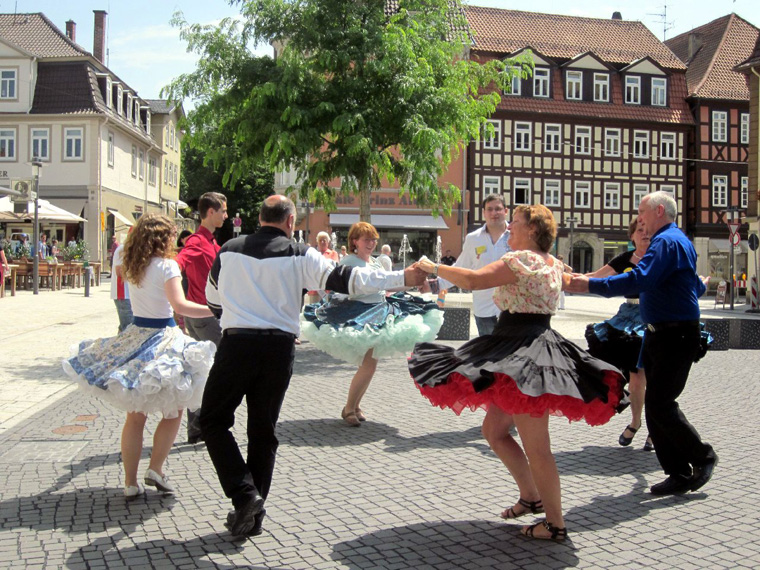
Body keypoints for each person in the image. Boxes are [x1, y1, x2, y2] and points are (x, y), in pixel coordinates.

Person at [200, 195, 426, 538]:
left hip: (237, 344)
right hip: (278, 349)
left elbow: (211, 299)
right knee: (263, 431)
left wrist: (235, 313)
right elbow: (351, 280)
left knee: (213, 421)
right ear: (291, 222)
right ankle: (252, 509)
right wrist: (402, 277)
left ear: (260, 218)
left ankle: (244, 497)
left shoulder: (229, 249)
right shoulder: (300, 253)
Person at [409, 204, 626, 541]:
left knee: (537, 446)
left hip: (522, 351)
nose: (509, 228)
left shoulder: (520, 260)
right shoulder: (553, 264)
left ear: (532, 231)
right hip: (525, 345)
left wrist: (434, 266)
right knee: (494, 430)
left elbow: (472, 279)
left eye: (517, 224)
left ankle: (555, 525)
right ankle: (531, 496)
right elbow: (578, 282)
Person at [566, 191, 718, 495]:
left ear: (659, 210)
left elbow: (640, 279)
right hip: (661, 333)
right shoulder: (674, 241)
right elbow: (681, 286)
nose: (640, 220)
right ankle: (677, 471)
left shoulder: (666, 242)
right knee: (656, 404)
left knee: (661, 404)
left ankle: (703, 458)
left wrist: (589, 285)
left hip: (675, 335)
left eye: (642, 212)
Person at [62, 214, 216, 499]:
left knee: (135, 417)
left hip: (136, 335)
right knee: (175, 409)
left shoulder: (131, 264)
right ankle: (155, 468)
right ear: (163, 238)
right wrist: (216, 310)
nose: (174, 240)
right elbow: (179, 305)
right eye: (171, 235)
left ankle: (130, 482)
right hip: (163, 338)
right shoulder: (167, 266)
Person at [302, 222, 443, 427]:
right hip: (361, 314)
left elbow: (388, 284)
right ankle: (349, 407)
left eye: (373, 239)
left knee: (370, 364)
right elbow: (348, 289)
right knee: (369, 364)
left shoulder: (375, 262)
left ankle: (354, 406)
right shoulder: (348, 262)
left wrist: (414, 280)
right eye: (366, 239)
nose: (371, 243)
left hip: (379, 311)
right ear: (354, 241)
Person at [584, 218, 653, 451]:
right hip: (628, 320)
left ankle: (655, 429)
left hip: (656, 316)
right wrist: (565, 277)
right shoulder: (624, 259)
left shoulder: (660, 258)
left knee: (655, 378)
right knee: (636, 379)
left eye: (648, 230)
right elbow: (597, 275)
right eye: (639, 231)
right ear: (631, 236)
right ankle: (635, 421)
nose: (644, 234)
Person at [175, 192, 228, 444]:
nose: (226, 216)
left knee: (202, 370)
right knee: (218, 369)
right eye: (223, 211)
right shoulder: (197, 242)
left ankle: (197, 426)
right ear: (210, 212)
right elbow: (178, 263)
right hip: (203, 316)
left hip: (204, 316)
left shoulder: (212, 243)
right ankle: (205, 424)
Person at [437, 194, 510, 336]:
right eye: (489, 209)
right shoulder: (473, 239)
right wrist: (435, 284)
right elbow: (460, 269)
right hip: (484, 310)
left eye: (498, 209)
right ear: (483, 213)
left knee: (513, 355)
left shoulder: (516, 236)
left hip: (512, 310)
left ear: (505, 211)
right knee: (488, 355)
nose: (494, 213)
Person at [307, 231, 340, 303]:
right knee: (312, 311)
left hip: (326, 290)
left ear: (328, 242)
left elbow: (333, 268)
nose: (322, 242)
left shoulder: (333, 253)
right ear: (317, 242)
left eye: (324, 240)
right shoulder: (314, 254)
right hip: (314, 289)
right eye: (320, 240)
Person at [110, 242, 133, 333]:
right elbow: (119, 272)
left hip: (130, 294)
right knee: (128, 328)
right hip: (123, 293)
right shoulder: (123, 249)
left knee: (126, 327)